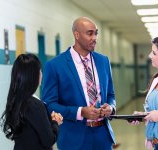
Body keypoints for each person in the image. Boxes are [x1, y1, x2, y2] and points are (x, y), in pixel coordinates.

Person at [42, 17, 116, 150]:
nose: (94, 38)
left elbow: (111, 95)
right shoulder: (55, 65)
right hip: (73, 139)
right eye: (90, 33)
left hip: (103, 137)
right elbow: (49, 105)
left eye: (96, 33)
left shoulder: (103, 61)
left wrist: (111, 107)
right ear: (76, 35)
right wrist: (80, 112)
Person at [0, 54, 63, 150]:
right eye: (40, 71)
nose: (41, 74)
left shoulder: (17, 100)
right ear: (33, 76)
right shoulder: (35, 105)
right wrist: (55, 122)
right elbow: (49, 140)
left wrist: (48, 120)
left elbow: (33, 129)